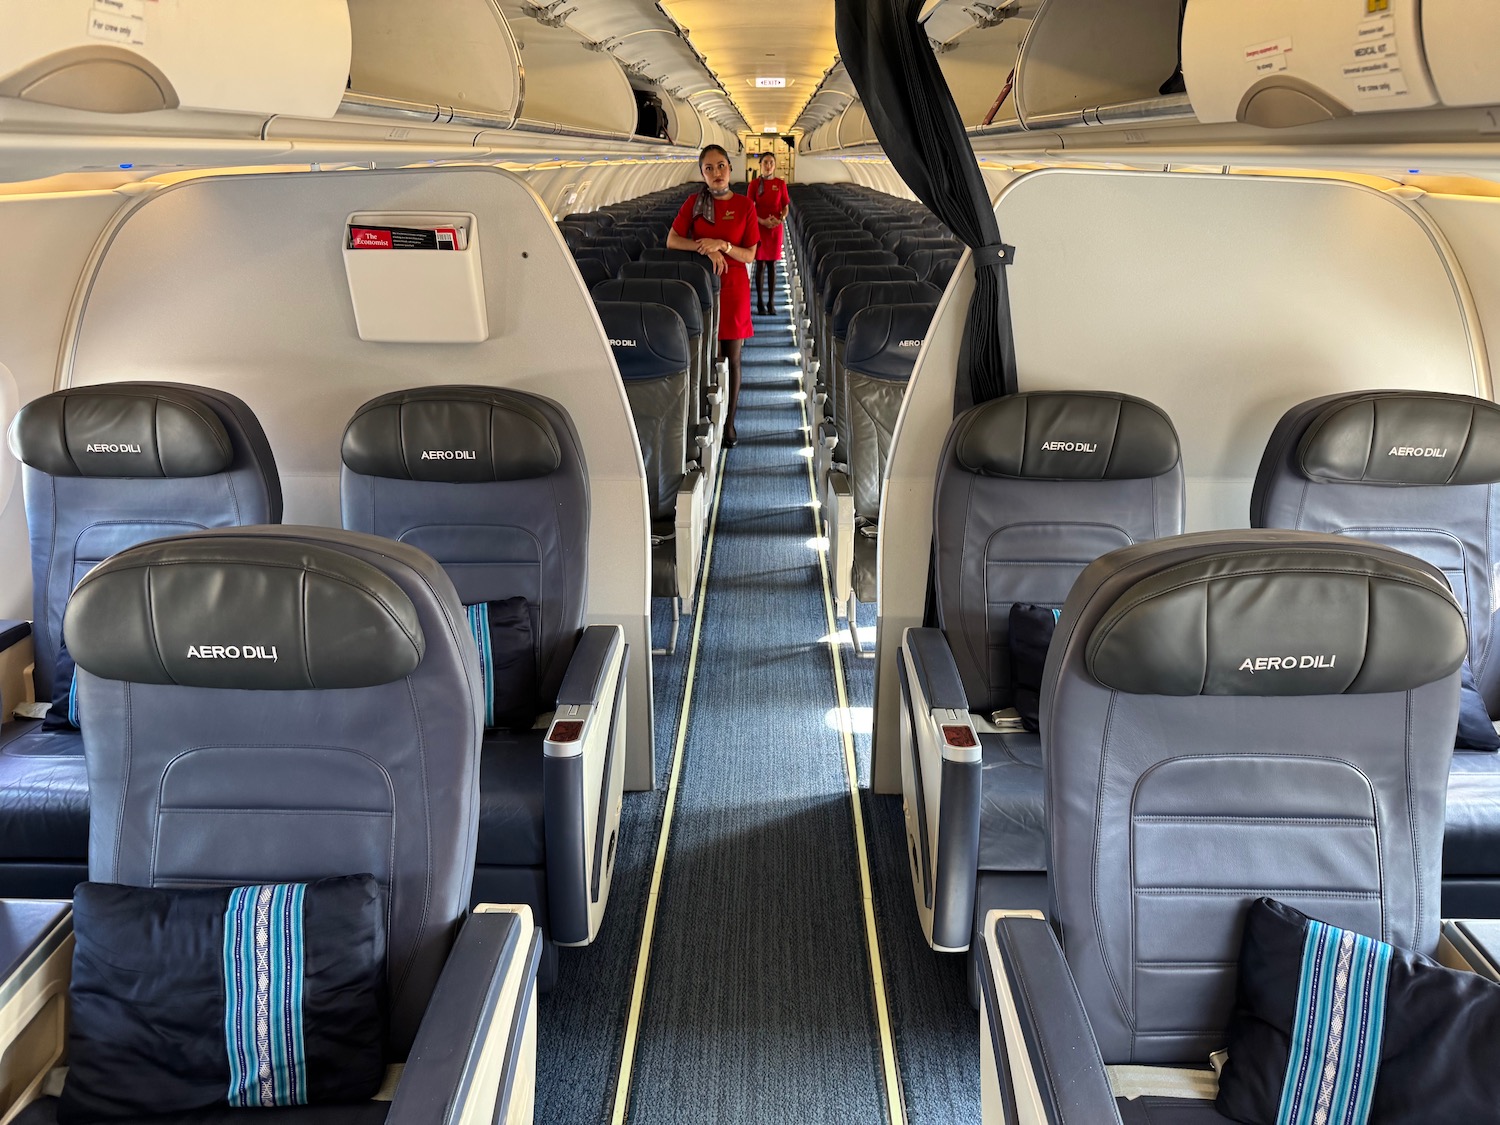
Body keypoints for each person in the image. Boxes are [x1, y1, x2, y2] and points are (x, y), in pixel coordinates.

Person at [667, 144, 759, 448]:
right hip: (701, 286)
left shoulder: (745, 206)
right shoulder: (694, 203)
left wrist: (723, 245)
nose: (716, 173)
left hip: (733, 286)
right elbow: (673, 240)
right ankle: (704, 415)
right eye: (709, 168)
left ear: (730, 169)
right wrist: (704, 246)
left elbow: (748, 255)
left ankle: (730, 422)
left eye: (721, 166)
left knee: (732, 358)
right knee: (706, 354)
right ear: (702, 173)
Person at [750, 152, 790, 316]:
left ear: (774, 165)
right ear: (760, 164)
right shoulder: (753, 184)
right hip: (760, 228)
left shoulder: (780, 183)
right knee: (760, 265)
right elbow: (750, 209)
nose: (768, 165)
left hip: (775, 229)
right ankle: (760, 302)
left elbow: (785, 205)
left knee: (772, 265)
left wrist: (781, 218)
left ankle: (771, 302)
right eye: (765, 162)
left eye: (771, 162)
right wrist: (762, 221)